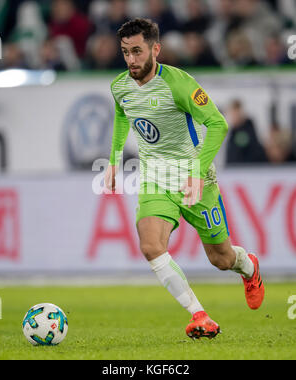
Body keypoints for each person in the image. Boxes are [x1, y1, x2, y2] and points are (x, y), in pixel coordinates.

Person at [104, 18, 264, 340]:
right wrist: (113, 160)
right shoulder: (119, 86)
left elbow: (218, 124)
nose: (131, 60)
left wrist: (195, 173)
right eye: (125, 53)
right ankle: (199, 315)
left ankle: (248, 267)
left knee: (221, 258)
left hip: (196, 179)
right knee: (150, 246)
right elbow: (123, 114)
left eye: (137, 51)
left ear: (156, 49)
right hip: (155, 178)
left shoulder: (179, 84)